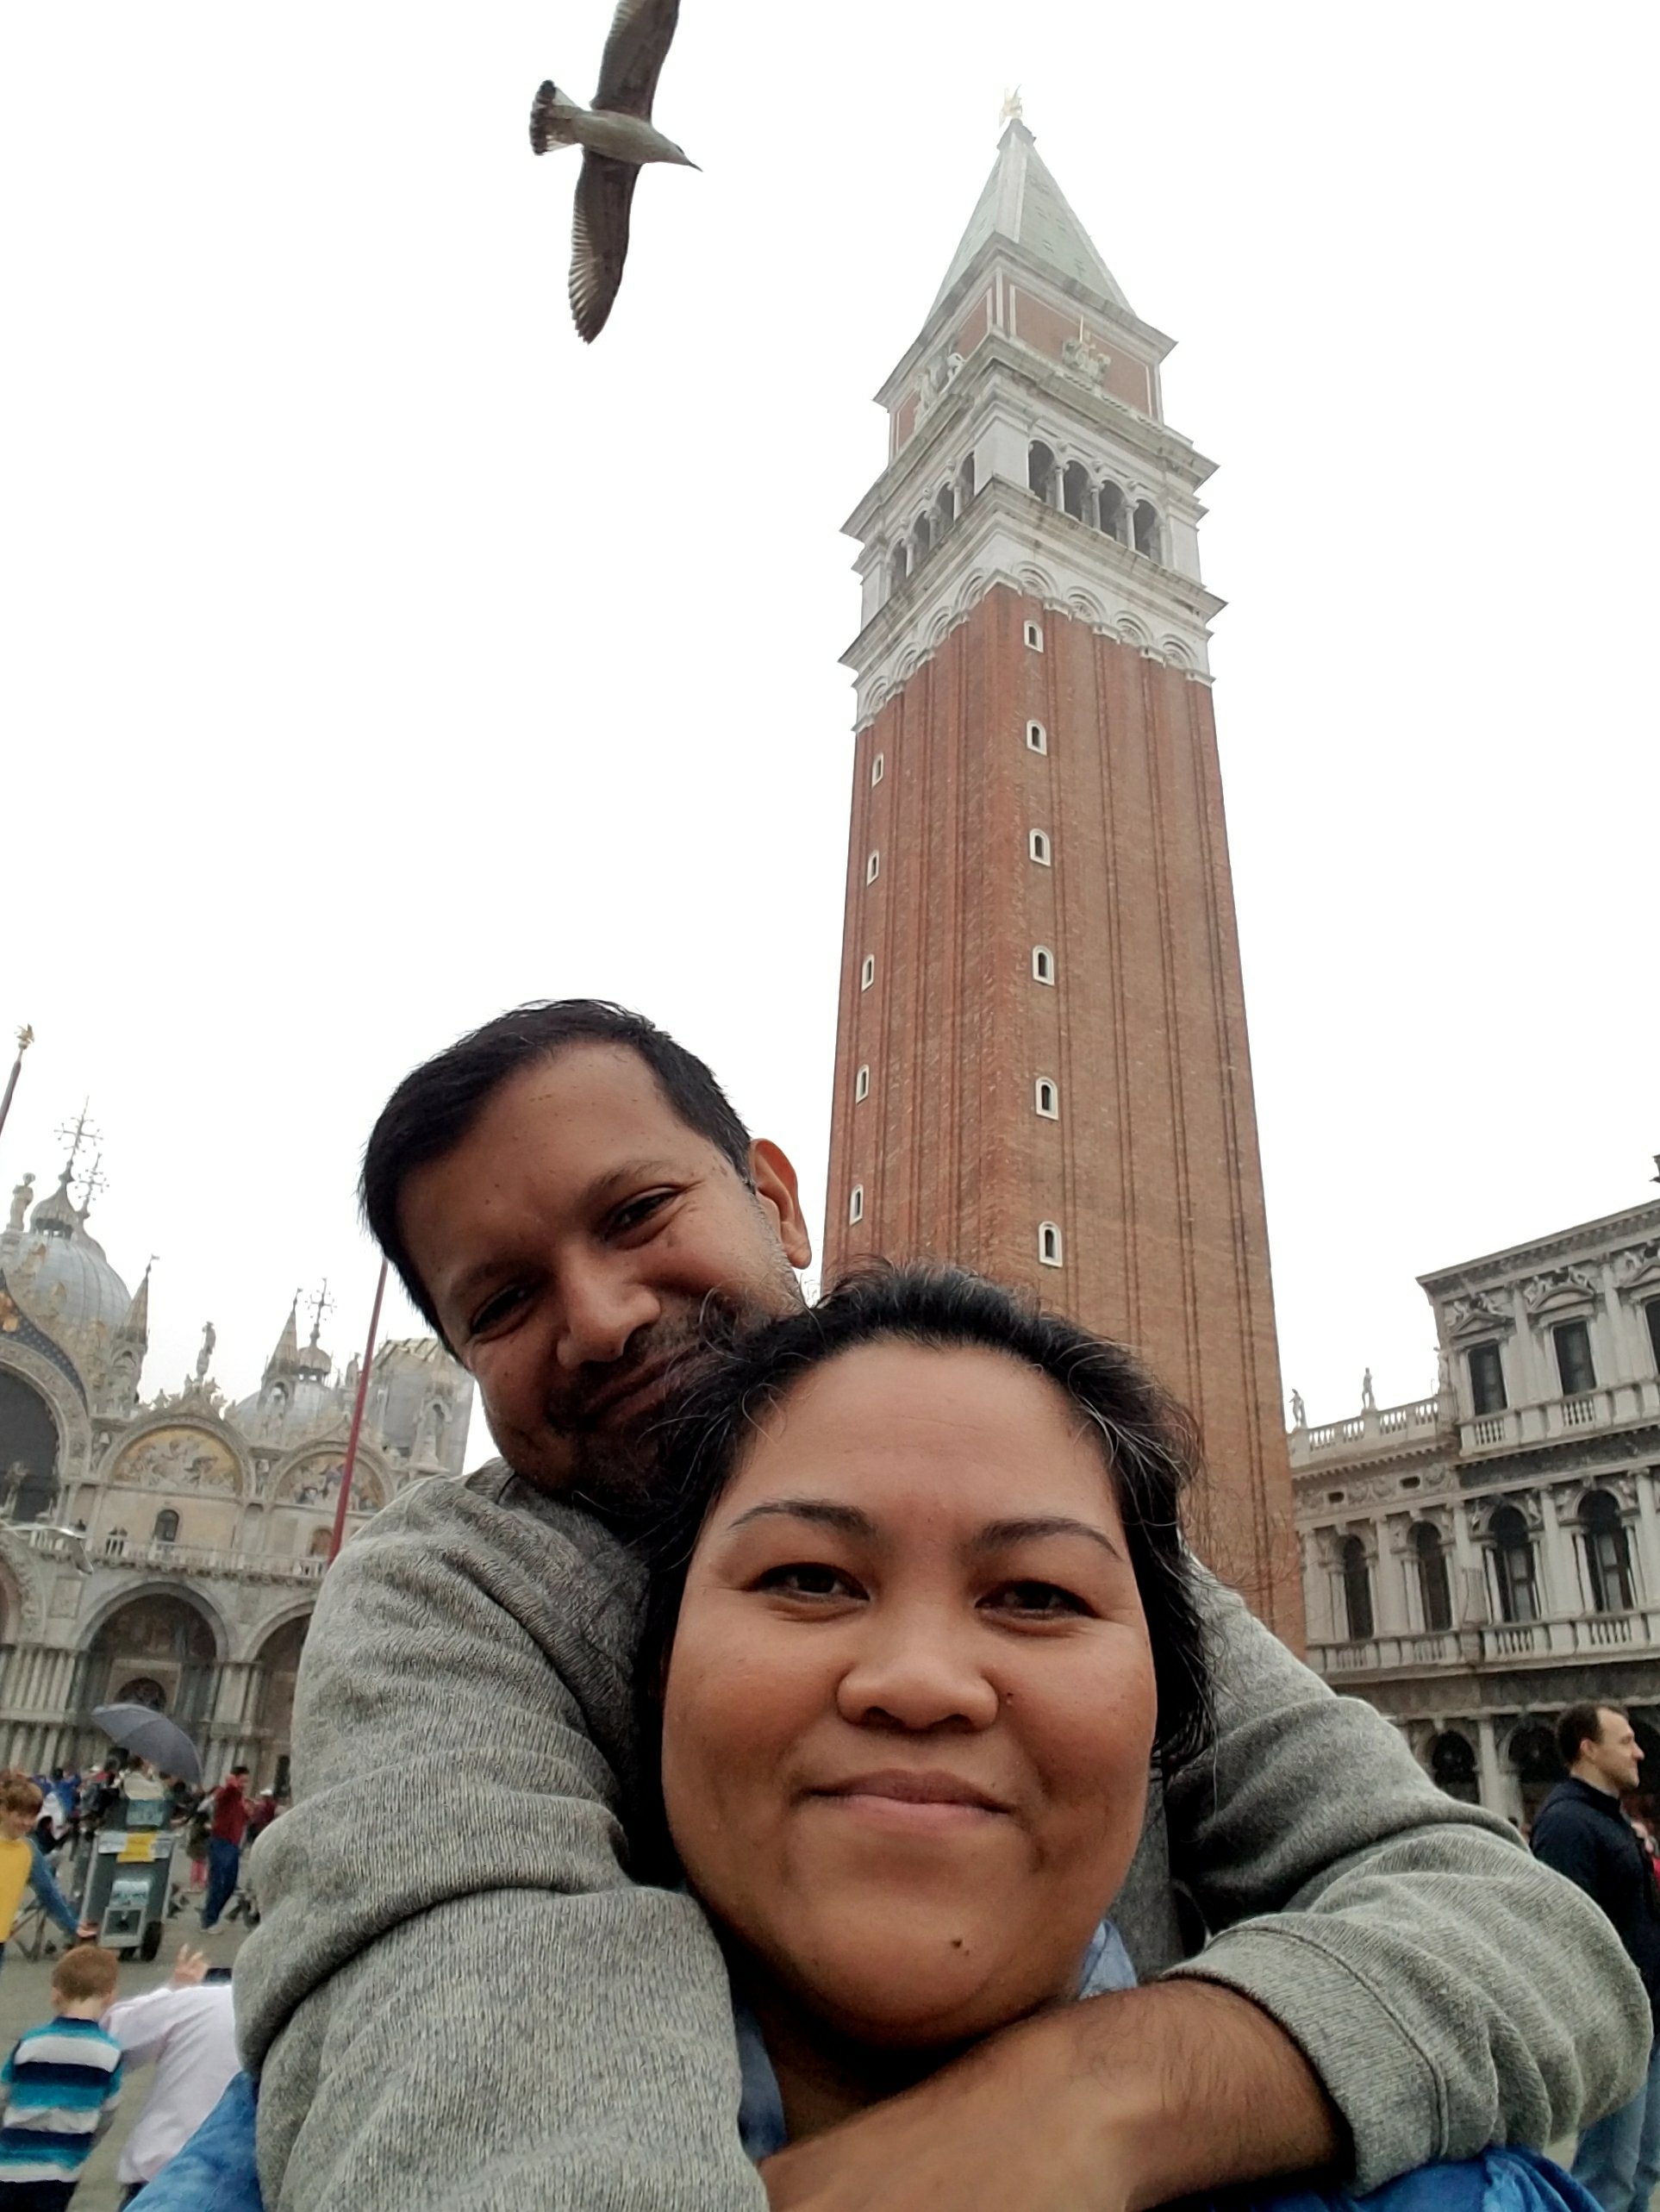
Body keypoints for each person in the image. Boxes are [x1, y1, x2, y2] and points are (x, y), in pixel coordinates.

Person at [229, 1000, 1648, 2212]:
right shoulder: (451, 1588)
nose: (598, 1315)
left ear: (776, 1196)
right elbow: (460, 2055)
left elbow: (1522, 1937)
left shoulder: (1052, 1495)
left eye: (637, 1213)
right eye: (502, 1300)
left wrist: (1099, 2097)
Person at [1532, 1706, 1660, 2212]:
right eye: (1625, 1741)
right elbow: (1567, 1930)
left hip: (1648, 2017)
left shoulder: (1611, 1816)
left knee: (1642, 2168)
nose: (1639, 1752)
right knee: (1607, 2176)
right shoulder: (1567, 1823)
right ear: (1588, 1748)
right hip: (1614, 2027)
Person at [103, 1946, 238, 2206]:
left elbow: (112, 2037)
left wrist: (174, 1990)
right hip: (247, 2182)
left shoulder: (201, 2000)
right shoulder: (299, 2018)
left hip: (164, 2171)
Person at [0, 1944, 123, 2209]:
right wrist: (84, 2144)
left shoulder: (31, 2043)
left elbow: (4, 2094)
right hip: (63, 2167)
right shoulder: (109, 2053)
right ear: (110, 1995)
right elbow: (108, 2112)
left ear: (56, 1992)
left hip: (11, 2162)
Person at [0, 1778, 96, 1967]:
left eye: (32, 1816)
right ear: (3, 1810)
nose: (26, 1823)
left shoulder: (29, 1851)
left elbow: (48, 1892)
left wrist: (73, 1926)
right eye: (21, 1815)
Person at [201, 1770, 249, 1933]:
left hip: (233, 1845)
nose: (244, 1785)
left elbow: (244, 1818)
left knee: (229, 1885)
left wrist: (250, 1810)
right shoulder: (226, 1793)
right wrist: (231, 1783)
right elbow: (227, 1792)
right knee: (218, 1882)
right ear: (235, 1780)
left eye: (246, 1782)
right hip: (221, 1842)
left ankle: (211, 1914)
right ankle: (209, 1921)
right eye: (242, 1781)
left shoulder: (239, 1799)